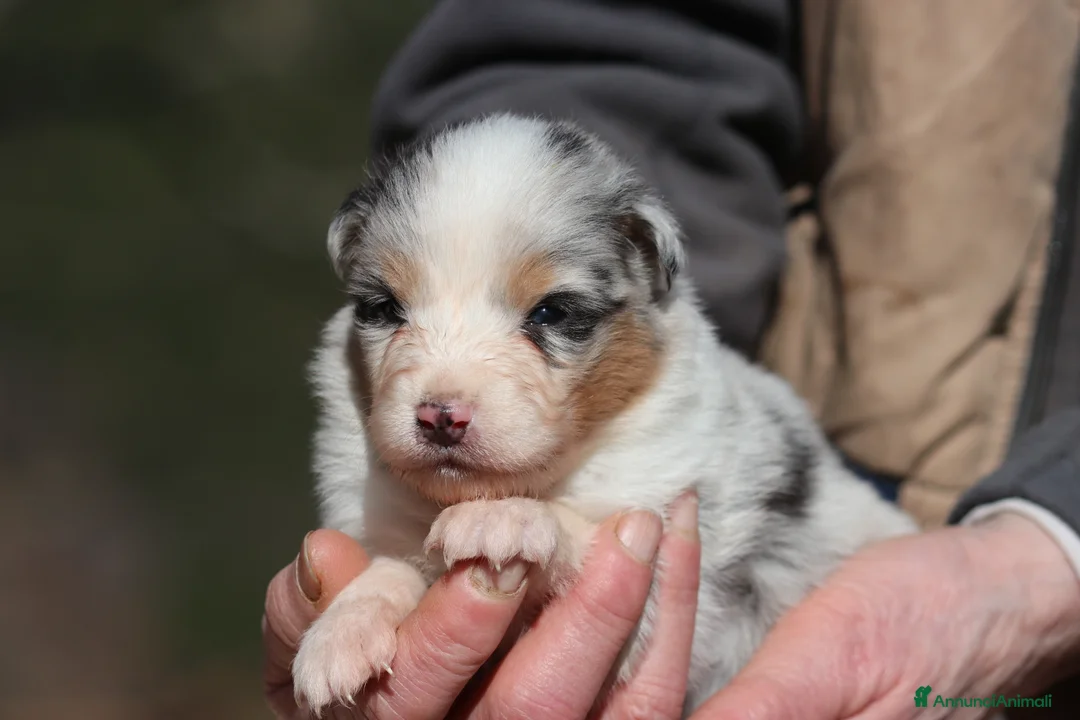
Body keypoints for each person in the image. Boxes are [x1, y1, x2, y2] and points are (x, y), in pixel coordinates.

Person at [263, 1, 1080, 717]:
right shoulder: (371, 399)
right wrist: (379, 596)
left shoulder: (669, 411)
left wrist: (1051, 546)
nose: (443, 396)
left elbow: (651, 587)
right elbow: (620, 37)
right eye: (387, 311)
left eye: (551, 315)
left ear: (647, 281)